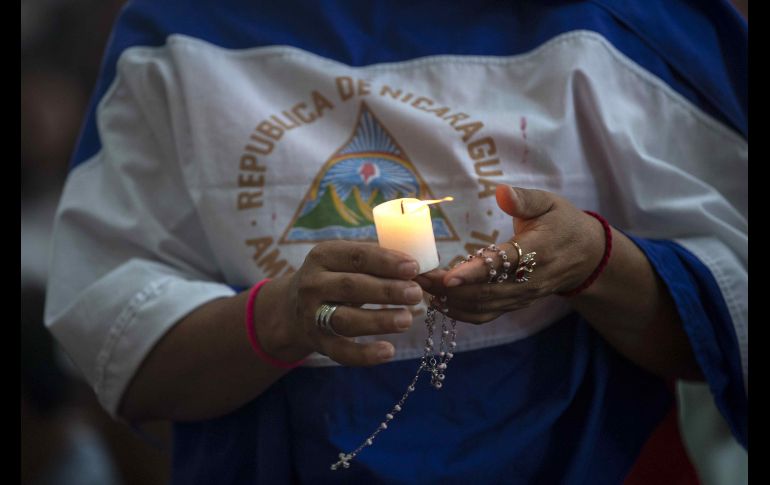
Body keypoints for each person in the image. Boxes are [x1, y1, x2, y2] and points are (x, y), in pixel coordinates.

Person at [45, 0, 747, 483]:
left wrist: (594, 261)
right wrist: (281, 319)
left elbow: (725, 317)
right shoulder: (185, 33)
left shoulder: (620, 22)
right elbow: (113, 330)